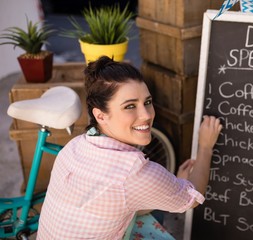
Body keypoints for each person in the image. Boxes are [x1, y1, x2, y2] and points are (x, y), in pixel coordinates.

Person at [37, 56, 222, 239]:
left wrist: (169, 187)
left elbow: (118, 201)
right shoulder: (133, 172)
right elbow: (193, 198)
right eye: (130, 106)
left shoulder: (75, 146)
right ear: (100, 116)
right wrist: (205, 147)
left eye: (147, 102)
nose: (146, 115)